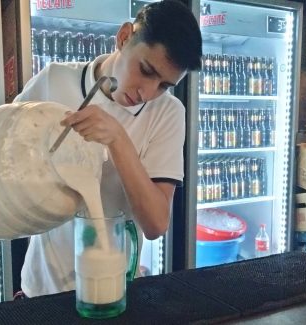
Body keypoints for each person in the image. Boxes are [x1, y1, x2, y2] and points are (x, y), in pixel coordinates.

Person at [14, 0, 202, 297]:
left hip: (114, 288)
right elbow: (4, 152)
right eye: (146, 70)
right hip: (42, 288)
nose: (147, 93)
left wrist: (119, 140)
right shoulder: (54, 81)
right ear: (124, 36)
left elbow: (155, 224)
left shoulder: (168, 113)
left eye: (164, 85)